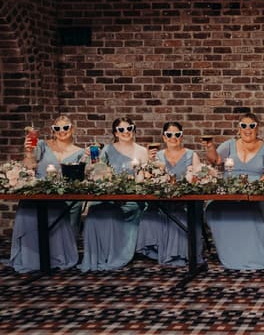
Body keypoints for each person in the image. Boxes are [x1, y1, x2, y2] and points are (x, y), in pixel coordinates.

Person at [204, 112, 264, 270]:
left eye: (251, 125)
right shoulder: (229, 144)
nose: (248, 129)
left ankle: (253, 253)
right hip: (230, 189)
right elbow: (215, 160)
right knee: (215, 208)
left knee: (250, 209)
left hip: (257, 189)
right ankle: (230, 251)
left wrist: (255, 188)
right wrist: (210, 147)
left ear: (257, 128)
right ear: (238, 128)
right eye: (244, 125)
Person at [9, 116, 84, 273]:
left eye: (66, 127)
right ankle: (32, 259)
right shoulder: (42, 145)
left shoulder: (80, 152)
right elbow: (30, 165)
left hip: (60, 197)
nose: (62, 131)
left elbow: (80, 178)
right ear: (52, 130)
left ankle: (56, 257)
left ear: (73, 129)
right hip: (37, 194)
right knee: (27, 211)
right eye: (57, 128)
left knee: (57, 214)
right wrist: (28, 152)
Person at [80, 116, 149, 271]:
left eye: (129, 128)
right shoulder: (107, 150)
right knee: (93, 214)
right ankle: (98, 255)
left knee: (116, 214)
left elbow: (146, 177)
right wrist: (91, 162)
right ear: (116, 133)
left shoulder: (142, 151)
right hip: (109, 197)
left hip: (133, 199)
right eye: (121, 129)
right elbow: (97, 172)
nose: (126, 132)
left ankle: (117, 254)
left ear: (133, 129)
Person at [136, 121, 205, 266]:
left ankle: (180, 254)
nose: (173, 137)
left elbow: (199, 180)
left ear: (182, 136)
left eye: (177, 134)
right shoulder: (157, 156)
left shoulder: (191, 155)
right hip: (162, 200)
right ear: (164, 137)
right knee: (148, 216)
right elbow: (150, 180)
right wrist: (149, 163)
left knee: (181, 216)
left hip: (186, 201)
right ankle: (157, 251)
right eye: (169, 134)